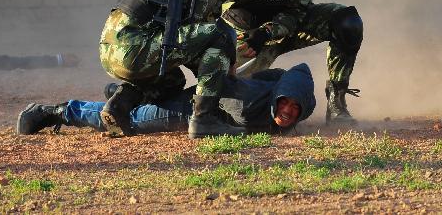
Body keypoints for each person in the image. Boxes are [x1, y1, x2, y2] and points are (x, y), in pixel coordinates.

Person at [99, 0, 254, 139]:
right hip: (135, 49)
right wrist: (222, 76)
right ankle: (204, 120)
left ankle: (119, 105)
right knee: (221, 36)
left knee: (173, 81)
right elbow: (202, 43)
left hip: (110, 50)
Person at [223, 0, 364, 125]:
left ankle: (337, 104)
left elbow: (297, 11)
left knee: (347, 23)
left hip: (283, 29)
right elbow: (213, 7)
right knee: (228, 95)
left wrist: (267, 32)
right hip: (244, 36)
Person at [16, 63, 315, 136]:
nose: (287, 111)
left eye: (294, 108)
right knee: (129, 121)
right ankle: (56, 112)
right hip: (192, 110)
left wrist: (270, 85)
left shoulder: (299, 104)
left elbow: (290, 73)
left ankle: (120, 93)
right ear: (277, 99)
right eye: (284, 103)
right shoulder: (252, 106)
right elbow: (293, 72)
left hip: (210, 97)